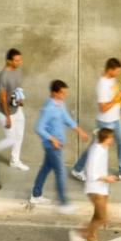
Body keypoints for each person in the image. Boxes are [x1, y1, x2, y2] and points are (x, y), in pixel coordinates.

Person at [71, 58, 121, 182]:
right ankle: (77, 169)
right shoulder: (102, 84)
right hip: (105, 122)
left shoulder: (112, 79)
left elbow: (116, 94)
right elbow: (103, 108)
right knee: (94, 147)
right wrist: (116, 98)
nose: (118, 73)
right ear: (110, 70)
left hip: (116, 119)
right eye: (116, 71)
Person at [29, 79, 90, 214]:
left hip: (58, 145)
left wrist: (80, 131)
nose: (64, 96)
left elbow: (66, 119)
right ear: (54, 93)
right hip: (52, 146)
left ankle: (36, 195)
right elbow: (39, 128)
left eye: (65, 93)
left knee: (45, 169)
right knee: (61, 172)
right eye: (62, 93)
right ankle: (63, 203)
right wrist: (52, 139)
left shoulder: (60, 104)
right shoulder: (48, 108)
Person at [69, 128, 118, 241]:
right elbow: (90, 173)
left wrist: (107, 180)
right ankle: (80, 234)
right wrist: (106, 178)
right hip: (94, 189)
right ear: (105, 139)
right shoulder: (96, 151)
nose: (112, 140)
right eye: (110, 138)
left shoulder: (104, 148)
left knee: (97, 216)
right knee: (102, 217)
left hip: (103, 188)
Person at [0, 48, 29, 171]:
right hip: (5, 112)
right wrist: (8, 116)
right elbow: (3, 98)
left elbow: (17, 88)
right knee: (11, 139)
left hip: (17, 109)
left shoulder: (18, 71)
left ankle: (15, 161)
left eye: (20, 60)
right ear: (9, 61)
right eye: (16, 60)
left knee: (19, 135)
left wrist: (19, 100)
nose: (19, 62)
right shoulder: (2, 76)